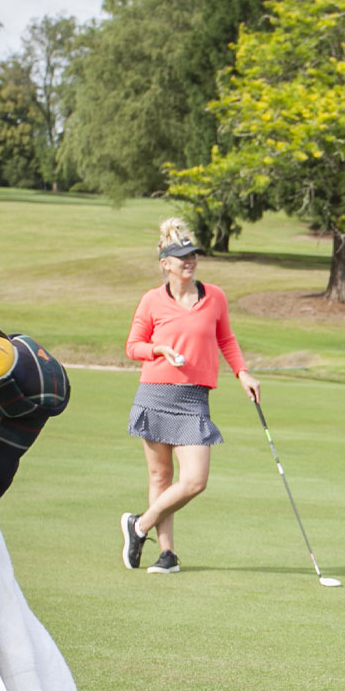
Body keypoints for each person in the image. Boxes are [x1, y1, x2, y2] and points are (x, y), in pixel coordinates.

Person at [120, 218, 260, 574]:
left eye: (193, 255)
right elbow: (132, 346)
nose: (190, 262)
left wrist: (242, 373)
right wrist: (158, 349)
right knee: (160, 479)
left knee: (195, 480)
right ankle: (166, 555)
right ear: (165, 263)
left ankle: (138, 525)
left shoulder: (214, 297)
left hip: (193, 398)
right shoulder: (152, 300)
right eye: (182, 257)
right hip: (155, 394)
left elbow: (226, 339)